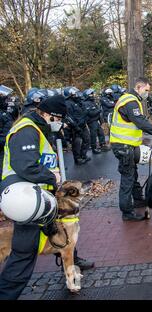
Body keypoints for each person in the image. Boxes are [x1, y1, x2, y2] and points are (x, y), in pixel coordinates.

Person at [0, 95, 93, 300]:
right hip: (25, 202)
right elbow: (26, 165)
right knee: (24, 254)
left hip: (38, 199)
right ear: (49, 115)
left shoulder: (37, 128)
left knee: (60, 232)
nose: (60, 124)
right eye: (58, 119)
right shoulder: (27, 130)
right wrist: (52, 176)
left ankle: (71, 263)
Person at [110, 78, 152, 221]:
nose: (147, 93)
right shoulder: (130, 101)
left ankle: (138, 200)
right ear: (138, 87)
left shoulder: (130, 100)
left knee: (132, 173)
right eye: (146, 90)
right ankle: (127, 213)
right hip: (123, 146)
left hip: (126, 146)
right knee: (127, 178)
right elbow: (140, 121)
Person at [64, 87, 91, 165]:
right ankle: (78, 159)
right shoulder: (68, 103)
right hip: (75, 127)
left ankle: (83, 155)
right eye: (74, 93)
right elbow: (69, 117)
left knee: (87, 139)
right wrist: (76, 127)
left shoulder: (78, 101)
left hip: (83, 125)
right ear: (70, 94)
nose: (76, 94)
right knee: (77, 144)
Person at [83, 89, 110, 154]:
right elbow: (90, 113)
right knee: (93, 135)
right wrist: (99, 110)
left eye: (93, 94)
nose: (93, 95)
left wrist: (101, 121)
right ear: (88, 95)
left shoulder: (93, 102)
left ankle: (102, 145)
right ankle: (94, 148)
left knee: (101, 133)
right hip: (91, 121)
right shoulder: (85, 103)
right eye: (91, 94)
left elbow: (97, 111)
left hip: (96, 120)